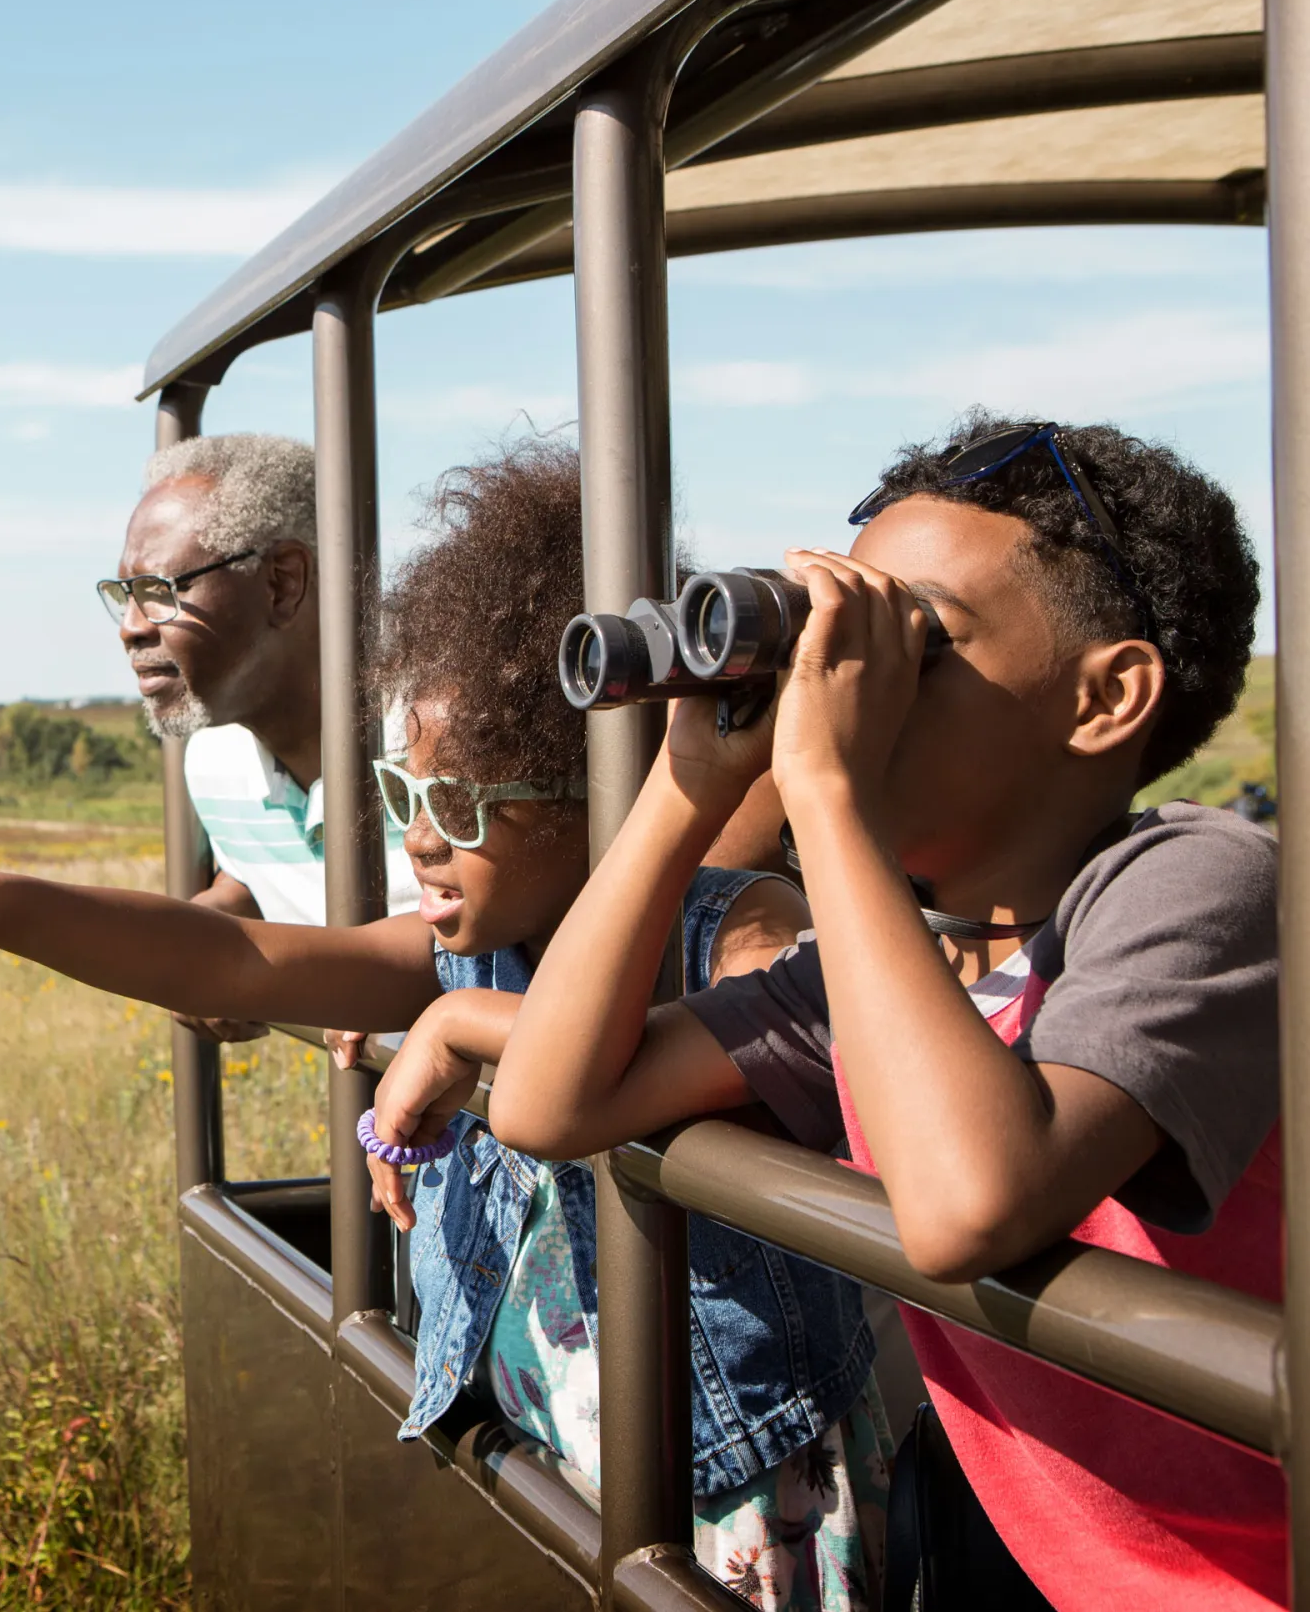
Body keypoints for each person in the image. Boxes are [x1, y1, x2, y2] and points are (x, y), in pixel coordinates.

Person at [0, 438, 888, 1610]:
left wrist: (463, 1027)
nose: (412, 842)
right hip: (568, 1453)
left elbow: (664, 1046)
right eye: (405, 797)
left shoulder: (733, 932)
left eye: (455, 805)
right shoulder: (471, 942)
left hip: (738, 1497)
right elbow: (240, 957)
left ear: (583, 797)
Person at [468, 415, 1274, 1609]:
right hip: (1023, 1544)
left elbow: (965, 1205)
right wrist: (687, 789)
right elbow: (548, 1098)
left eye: (915, 643)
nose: (842, 682)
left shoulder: (1201, 881)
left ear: (1106, 697)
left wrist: (827, 792)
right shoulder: (911, 945)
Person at [109, 433, 421, 940]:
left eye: (160, 590)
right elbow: (269, 879)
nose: (131, 626)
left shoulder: (438, 741)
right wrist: (221, 912)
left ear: (283, 583)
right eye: (125, 592)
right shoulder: (214, 761)